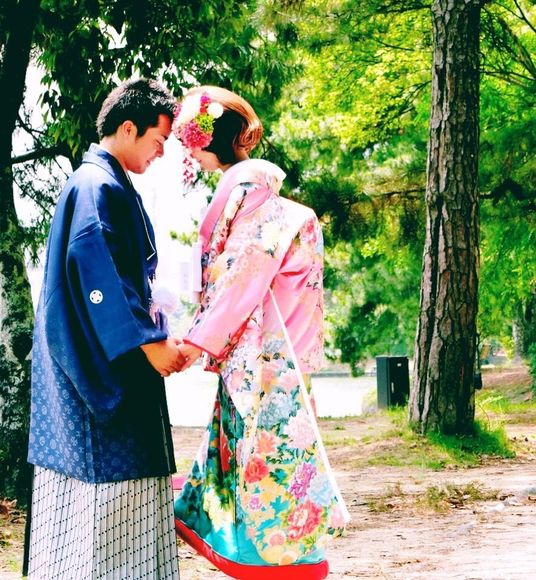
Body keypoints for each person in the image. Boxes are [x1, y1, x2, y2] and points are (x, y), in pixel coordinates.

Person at [173, 86, 350, 579]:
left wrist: (195, 343)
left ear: (207, 140)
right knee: (274, 464)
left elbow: (240, 281)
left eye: (190, 143)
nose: (188, 155)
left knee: (268, 464)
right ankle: (287, 559)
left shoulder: (255, 202)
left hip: (267, 362)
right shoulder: (266, 201)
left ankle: (278, 563)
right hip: (280, 354)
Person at [27, 78, 184, 579]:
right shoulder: (97, 185)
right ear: (129, 128)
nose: (161, 153)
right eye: (158, 141)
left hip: (91, 363)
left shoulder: (99, 182)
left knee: (90, 509)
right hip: (101, 373)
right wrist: (149, 343)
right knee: (110, 497)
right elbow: (100, 276)